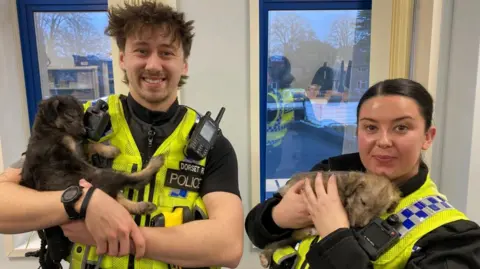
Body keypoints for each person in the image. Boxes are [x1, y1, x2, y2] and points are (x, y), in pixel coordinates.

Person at [0, 2, 243, 269]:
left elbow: (228, 247)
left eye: (166, 52)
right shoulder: (78, 124)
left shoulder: (213, 146)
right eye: (141, 51)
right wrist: (81, 202)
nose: (153, 64)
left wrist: (121, 236)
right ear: (123, 59)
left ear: (183, 64)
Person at [245, 78, 480, 268]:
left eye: (401, 127)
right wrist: (277, 217)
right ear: (358, 131)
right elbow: (256, 231)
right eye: (371, 127)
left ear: (427, 137)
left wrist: (335, 237)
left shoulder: (453, 238)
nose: (384, 141)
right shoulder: (330, 174)